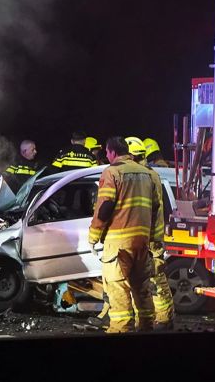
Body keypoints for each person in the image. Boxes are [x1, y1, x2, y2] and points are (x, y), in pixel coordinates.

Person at [87, 136, 161, 333]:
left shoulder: (112, 172)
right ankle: (146, 328)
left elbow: (105, 206)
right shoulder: (146, 174)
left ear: (111, 152)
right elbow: (155, 208)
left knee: (118, 288)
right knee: (141, 287)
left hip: (118, 243)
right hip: (142, 242)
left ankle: (121, 331)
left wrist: (93, 236)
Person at [128, 137, 175, 329]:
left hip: (143, 236)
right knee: (154, 278)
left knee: (148, 280)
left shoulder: (136, 176)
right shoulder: (151, 175)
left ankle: (155, 319)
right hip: (151, 235)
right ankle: (162, 319)